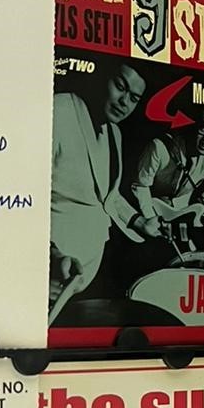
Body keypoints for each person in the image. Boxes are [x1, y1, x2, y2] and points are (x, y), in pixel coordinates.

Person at [48, 64, 162, 317]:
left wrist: (139, 221)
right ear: (102, 77)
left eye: (134, 98)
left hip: (86, 276)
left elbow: (107, 196)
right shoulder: (59, 110)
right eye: (120, 87)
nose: (124, 102)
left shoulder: (115, 132)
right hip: (52, 274)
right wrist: (49, 256)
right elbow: (28, 196)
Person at [131, 108, 204, 227]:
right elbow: (140, 186)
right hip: (149, 214)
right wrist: (151, 221)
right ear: (191, 126)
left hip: (181, 220)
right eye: (202, 129)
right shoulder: (159, 147)